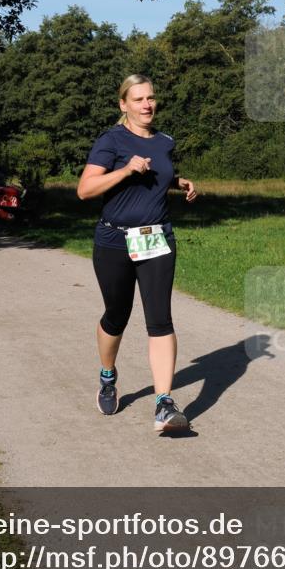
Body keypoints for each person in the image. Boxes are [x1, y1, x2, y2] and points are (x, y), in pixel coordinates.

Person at [77, 74, 197, 432]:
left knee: (160, 318)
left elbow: (158, 173)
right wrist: (126, 169)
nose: (147, 104)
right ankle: (108, 374)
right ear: (124, 105)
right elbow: (85, 189)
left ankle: (164, 403)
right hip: (115, 240)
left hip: (157, 239)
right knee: (117, 314)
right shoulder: (111, 140)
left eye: (151, 98)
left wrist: (178, 181)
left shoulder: (164, 141)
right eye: (139, 99)